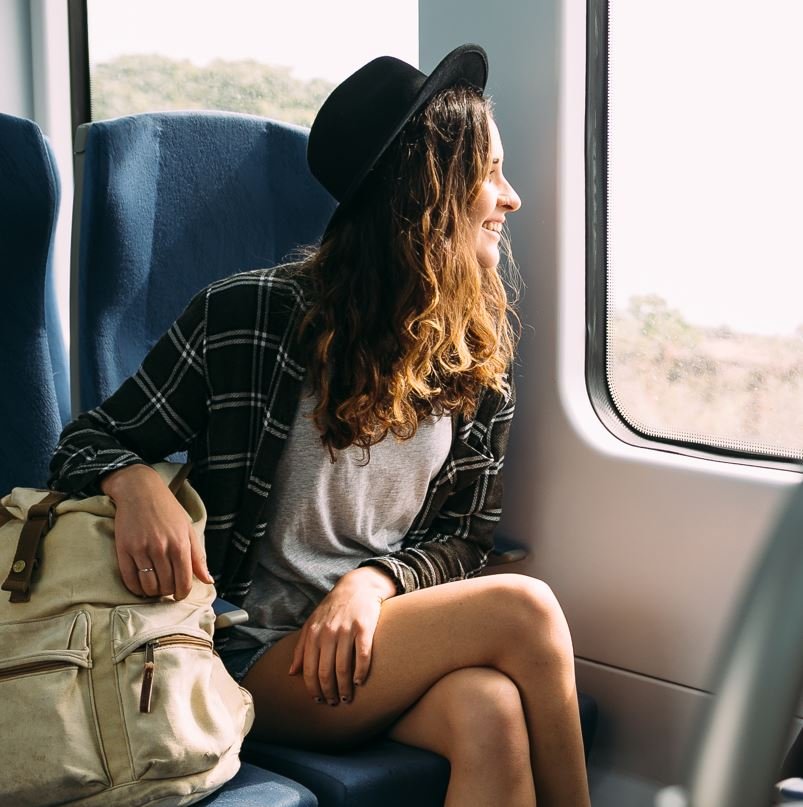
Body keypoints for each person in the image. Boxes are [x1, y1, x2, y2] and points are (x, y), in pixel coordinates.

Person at [50, 44, 590, 807]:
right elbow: (81, 441)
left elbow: (466, 536)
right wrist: (135, 480)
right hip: (250, 655)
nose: (511, 197)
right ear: (424, 191)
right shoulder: (248, 316)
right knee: (525, 608)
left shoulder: (472, 350)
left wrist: (373, 582)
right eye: (489, 173)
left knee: (490, 709)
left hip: (374, 642)